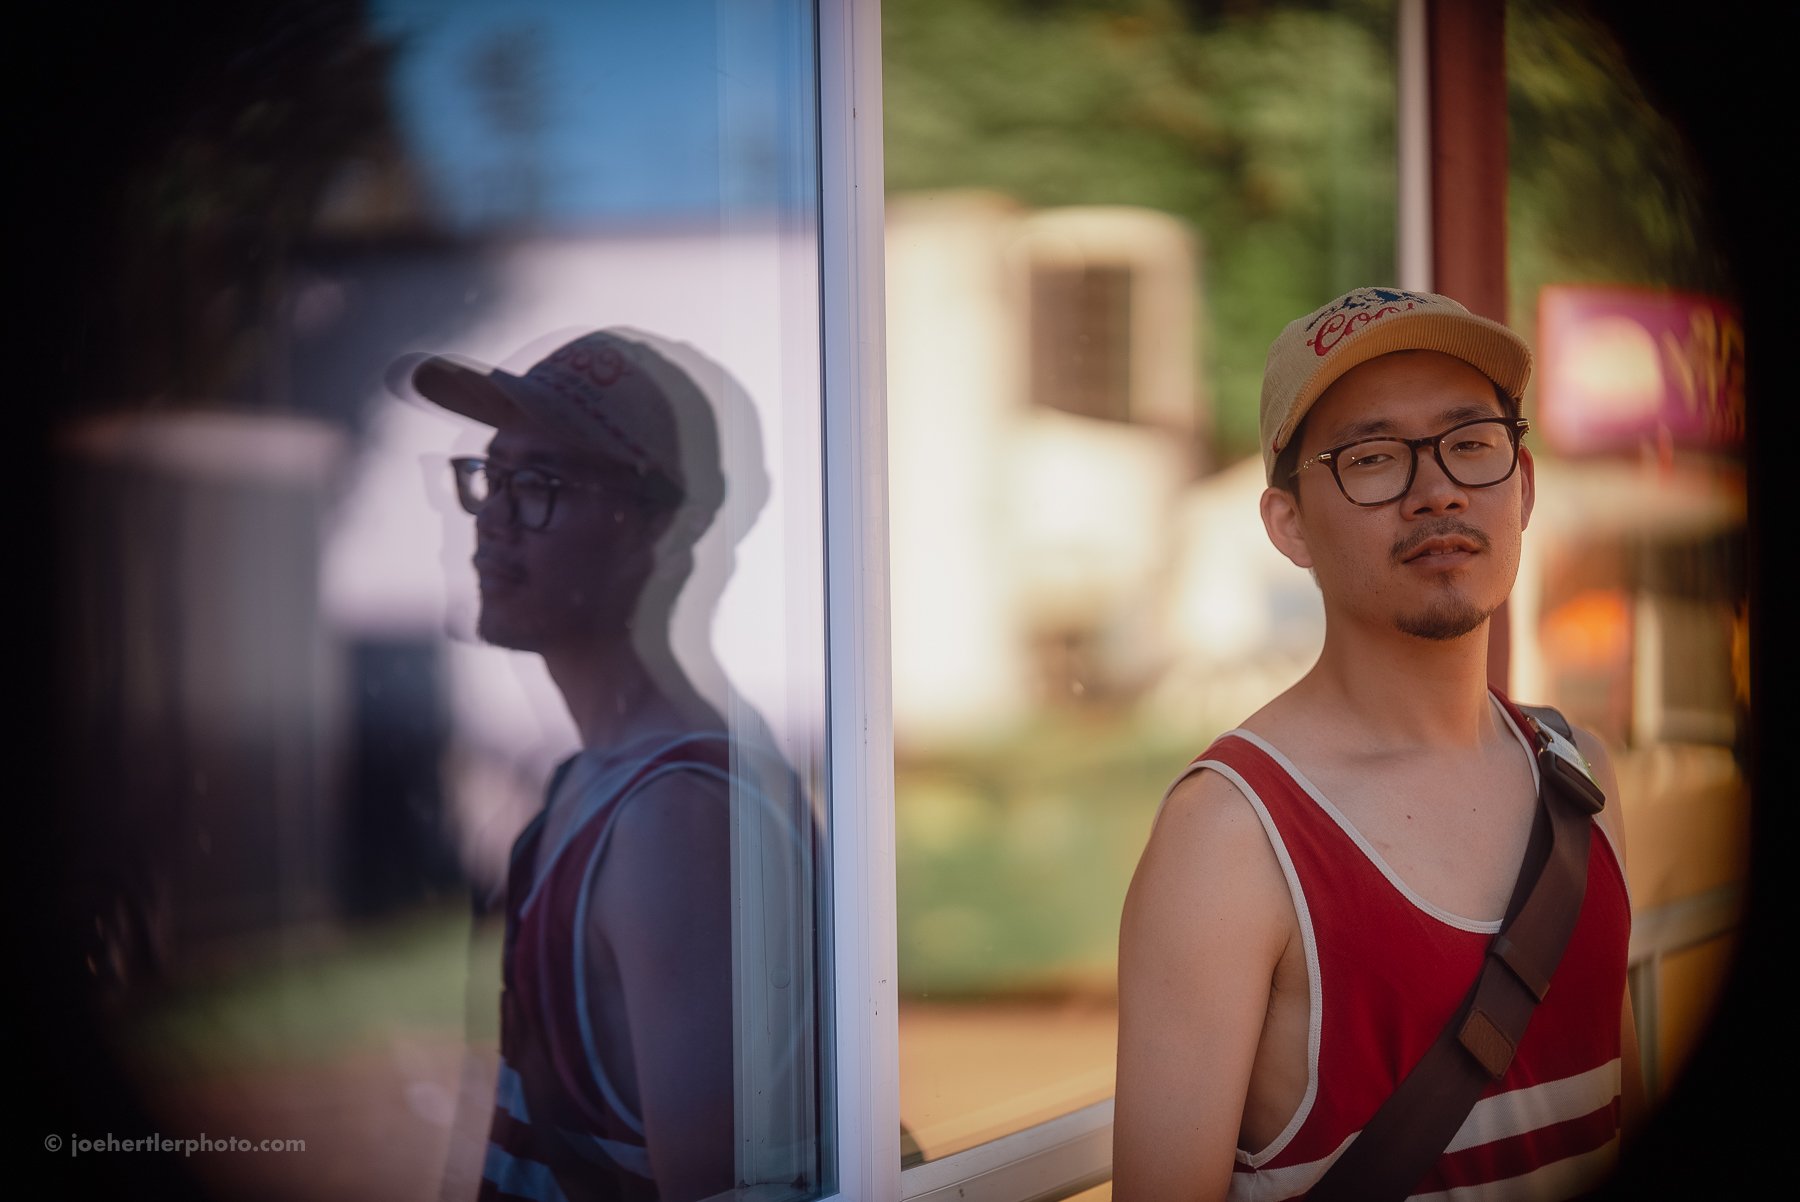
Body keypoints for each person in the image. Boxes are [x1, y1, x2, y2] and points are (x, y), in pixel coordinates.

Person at [1114, 287, 1642, 1200]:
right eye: (1372, 457)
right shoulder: (1233, 838)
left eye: (1471, 444)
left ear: (1521, 488)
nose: (1435, 488)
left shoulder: (1578, 775)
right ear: (1290, 527)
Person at [410, 329, 817, 1202]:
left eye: (541, 486)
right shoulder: (591, 784)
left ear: (657, 527)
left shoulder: (672, 821)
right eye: (490, 476)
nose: (490, 517)